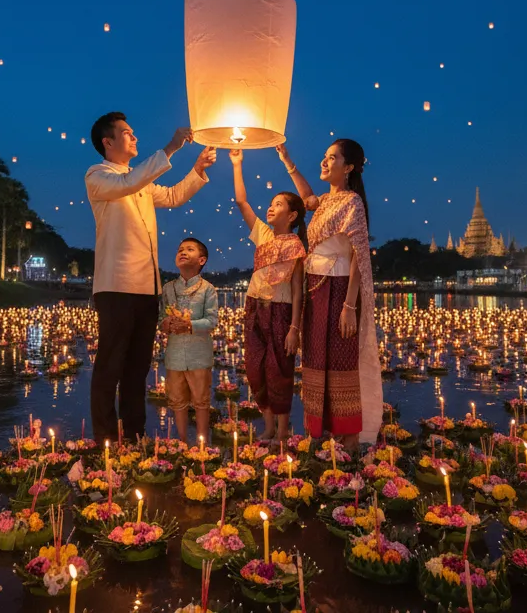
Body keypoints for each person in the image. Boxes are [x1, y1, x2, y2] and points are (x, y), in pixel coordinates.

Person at [85, 112, 217, 443]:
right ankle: (105, 438)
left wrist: (197, 170)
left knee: (138, 368)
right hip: (116, 287)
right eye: (127, 133)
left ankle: (134, 434)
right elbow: (128, 183)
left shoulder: (138, 181)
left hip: (146, 288)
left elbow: (172, 196)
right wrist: (171, 147)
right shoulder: (99, 176)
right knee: (110, 365)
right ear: (108, 142)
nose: (135, 138)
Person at [277, 139, 381, 450]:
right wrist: (287, 159)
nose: (324, 162)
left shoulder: (352, 203)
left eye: (332, 158)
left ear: (348, 167)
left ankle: (348, 443)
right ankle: (319, 438)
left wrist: (349, 305)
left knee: (340, 362)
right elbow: (306, 196)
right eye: (324, 156)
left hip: (338, 292)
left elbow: (358, 258)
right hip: (314, 290)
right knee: (314, 360)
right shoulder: (324, 202)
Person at [230, 148, 306, 441]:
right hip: (254, 307)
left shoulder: (297, 246)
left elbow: (298, 291)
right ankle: (269, 425)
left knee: (280, 370)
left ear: (292, 214)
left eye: (278, 204)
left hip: (281, 310)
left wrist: (294, 329)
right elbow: (240, 201)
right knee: (254, 369)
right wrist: (237, 164)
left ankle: (283, 431)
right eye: (271, 204)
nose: (270, 208)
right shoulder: (262, 233)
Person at [159, 237, 219, 443]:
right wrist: (166, 324)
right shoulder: (168, 289)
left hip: (199, 355)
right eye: (180, 249)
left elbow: (212, 321)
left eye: (189, 249)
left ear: (201, 260)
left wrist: (189, 325)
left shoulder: (207, 289)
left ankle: (202, 446)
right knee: (177, 401)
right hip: (174, 354)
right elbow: (160, 319)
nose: (183, 252)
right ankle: (183, 443)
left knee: (201, 401)